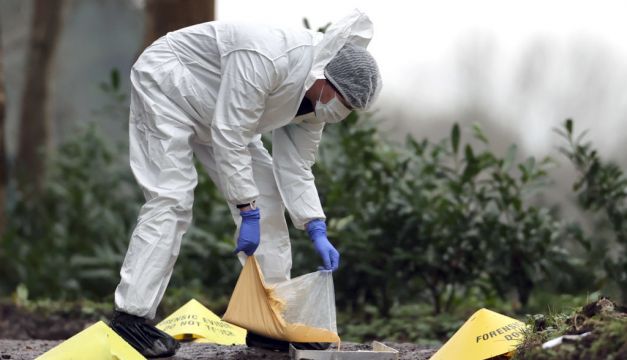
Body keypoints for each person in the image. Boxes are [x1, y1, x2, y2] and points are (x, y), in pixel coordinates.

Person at [108, 9, 381, 357]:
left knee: (267, 196)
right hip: (169, 85)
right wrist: (246, 210)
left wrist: (316, 226)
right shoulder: (268, 57)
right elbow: (230, 133)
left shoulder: (316, 101)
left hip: (223, 114)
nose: (339, 113)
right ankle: (131, 318)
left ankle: (268, 321)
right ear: (325, 79)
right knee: (171, 199)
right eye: (342, 102)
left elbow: (296, 167)